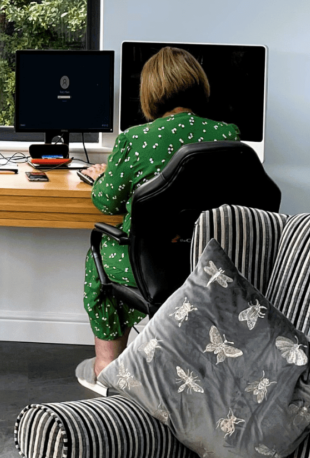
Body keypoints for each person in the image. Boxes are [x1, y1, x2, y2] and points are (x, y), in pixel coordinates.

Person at [76, 46, 239, 394]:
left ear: (150, 92)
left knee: (101, 252)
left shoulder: (136, 139)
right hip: (205, 262)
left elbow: (107, 201)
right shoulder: (227, 134)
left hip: (150, 265)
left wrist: (104, 175)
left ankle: (107, 367)